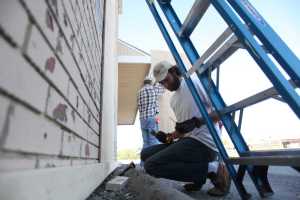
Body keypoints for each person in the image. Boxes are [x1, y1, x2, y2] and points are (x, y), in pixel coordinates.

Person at [140, 61, 231, 196]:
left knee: (151, 166)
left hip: (205, 143)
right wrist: (169, 137)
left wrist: (197, 122)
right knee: (145, 154)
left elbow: (222, 111)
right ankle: (197, 176)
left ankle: (213, 169)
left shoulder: (193, 83)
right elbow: (183, 131)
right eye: (162, 83)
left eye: (167, 80)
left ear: (174, 72)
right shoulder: (173, 100)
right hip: (189, 142)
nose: (166, 85)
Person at [137, 76, 161, 149]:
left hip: (142, 119)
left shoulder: (139, 92)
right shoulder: (154, 89)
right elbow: (163, 89)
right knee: (154, 139)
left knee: (146, 142)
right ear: (151, 82)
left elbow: (139, 105)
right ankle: (155, 159)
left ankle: (144, 160)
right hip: (151, 118)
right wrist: (156, 83)